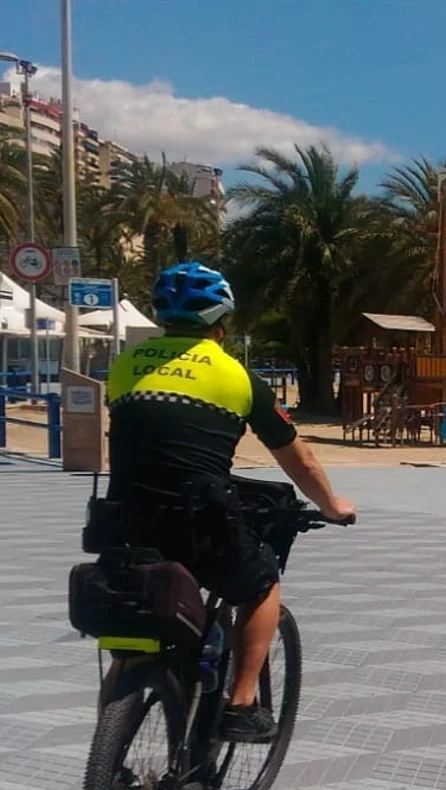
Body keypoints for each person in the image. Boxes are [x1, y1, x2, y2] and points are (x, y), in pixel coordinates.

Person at [103, 262, 357, 742]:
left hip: (124, 519)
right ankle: (241, 703)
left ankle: (109, 755)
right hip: (200, 518)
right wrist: (330, 504)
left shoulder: (122, 367)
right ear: (222, 322)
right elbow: (296, 457)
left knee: (131, 645)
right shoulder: (236, 377)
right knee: (260, 583)